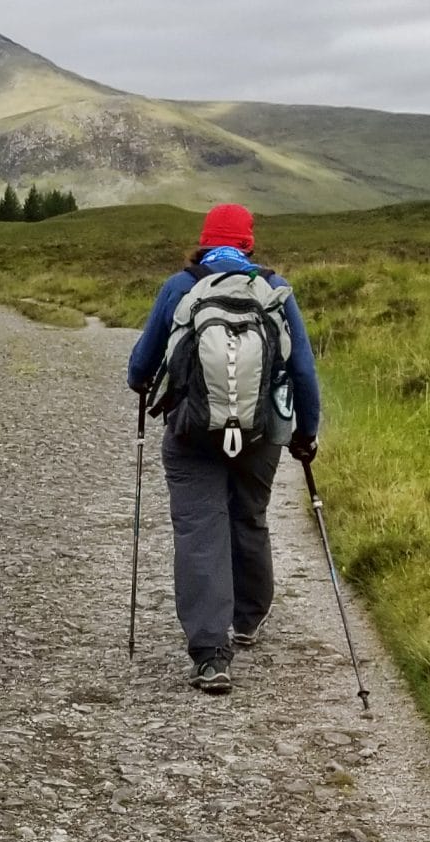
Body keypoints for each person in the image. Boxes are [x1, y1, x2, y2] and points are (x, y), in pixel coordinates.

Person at [125, 203, 321, 694]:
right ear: (249, 243)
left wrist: (145, 383)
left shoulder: (180, 286)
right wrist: (305, 433)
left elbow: (139, 367)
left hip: (191, 432)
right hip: (258, 434)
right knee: (249, 515)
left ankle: (211, 654)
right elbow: (302, 372)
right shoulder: (274, 290)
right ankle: (249, 619)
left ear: (205, 241)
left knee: (198, 529)